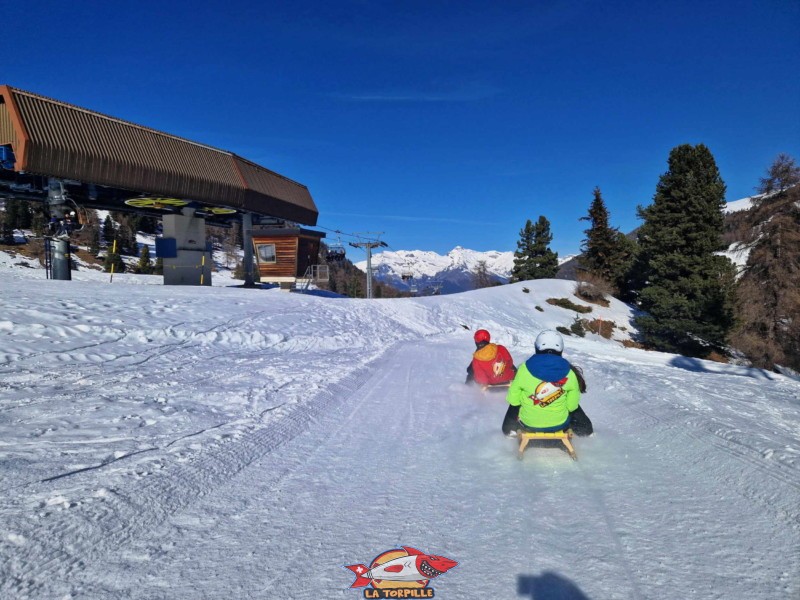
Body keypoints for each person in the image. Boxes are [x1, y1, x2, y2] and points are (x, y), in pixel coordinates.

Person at [502, 329, 593, 437]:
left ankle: (509, 431)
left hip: (529, 424)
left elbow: (513, 399)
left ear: (537, 347)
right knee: (575, 406)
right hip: (559, 424)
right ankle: (586, 433)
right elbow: (571, 406)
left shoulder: (524, 369)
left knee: (515, 404)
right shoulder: (570, 372)